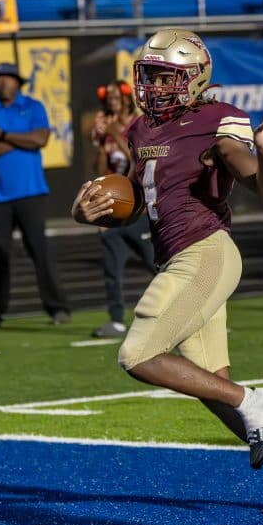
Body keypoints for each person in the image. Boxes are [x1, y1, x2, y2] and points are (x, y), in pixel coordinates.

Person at [71, 28, 263, 514]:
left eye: (166, 79)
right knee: (209, 383)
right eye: (149, 77)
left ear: (193, 79)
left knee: (138, 353)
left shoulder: (221, 118)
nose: (155, 88)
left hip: (205, 251)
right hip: (177, 256)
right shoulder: (140, 129)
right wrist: (87, 213)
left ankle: (255, 398)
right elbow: (132, 199)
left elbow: (261, 186)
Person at [0, 62, 70, 329]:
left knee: (40, 250)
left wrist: (3, 136)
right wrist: (19, 142)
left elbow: (41, 139)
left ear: (17, 82)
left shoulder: (33, 106)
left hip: (30, 191)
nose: (3, 83)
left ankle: (57, 308)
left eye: (8, 79)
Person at [90, 79, 155, 338]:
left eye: (117, 95)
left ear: (127, 97)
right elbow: (99, 169)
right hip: (111, 208)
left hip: (138, 207)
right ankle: (116, 320)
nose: (112, 100)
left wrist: (115, 132)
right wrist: (99, 143)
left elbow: (138, 160)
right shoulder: (102, 123)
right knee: (112, 267)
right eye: (109, 96)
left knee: (156, 262)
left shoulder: (139, 123)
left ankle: (187, 307)